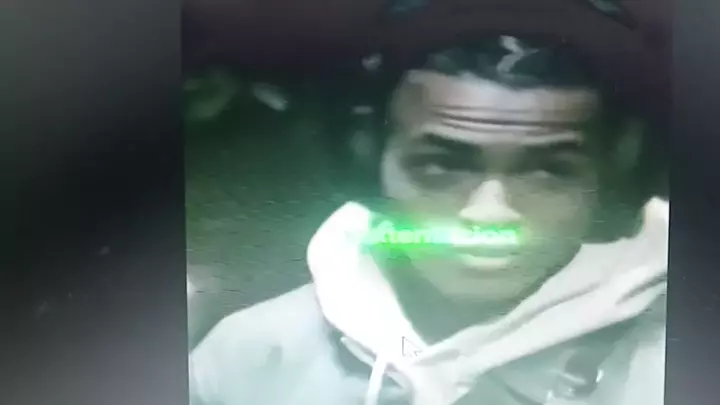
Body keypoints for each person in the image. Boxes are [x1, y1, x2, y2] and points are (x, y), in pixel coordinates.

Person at [189, 33, 668, 405]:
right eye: (441, 166)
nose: (490, 214)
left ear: (614, 172)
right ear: (368, 160)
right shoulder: (249, 353)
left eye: (548, 171)